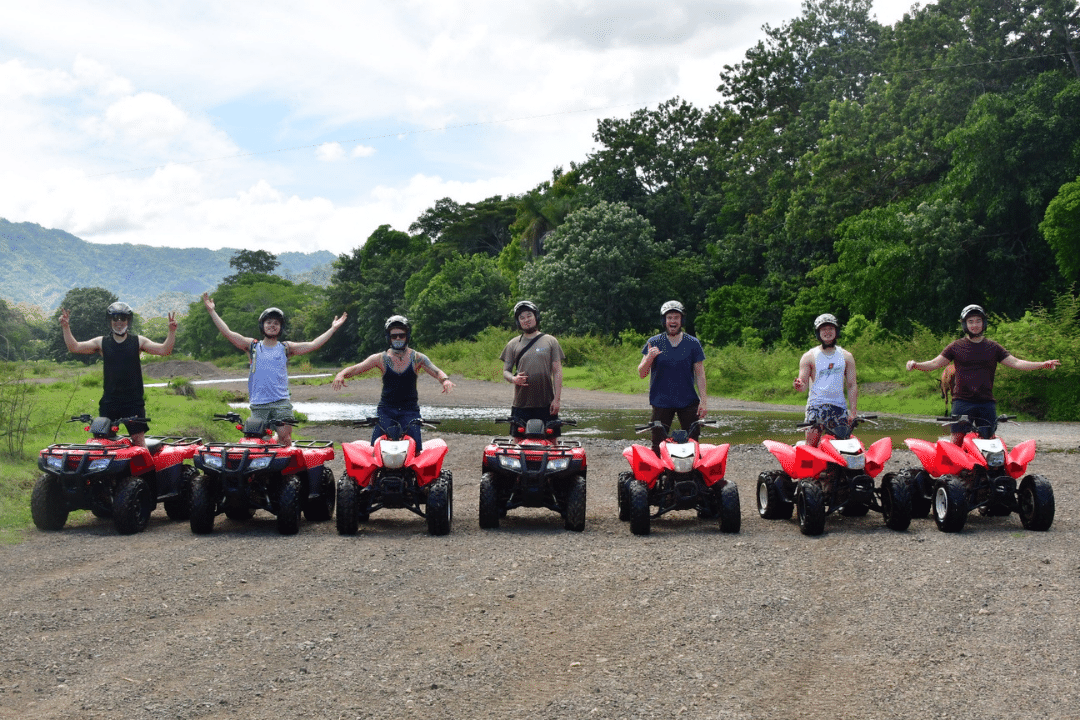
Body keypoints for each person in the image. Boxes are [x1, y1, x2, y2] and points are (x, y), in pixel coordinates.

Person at [203, 292, 346, 445]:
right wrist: (212, 311)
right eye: (269, 322)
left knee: (285, 438)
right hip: (259, 403)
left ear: (280, 327)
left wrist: (333, 329)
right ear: (262, 325)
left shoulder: (286, 348)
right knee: (256, 440)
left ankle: (282, 453)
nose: (272, 325)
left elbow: (313, 344)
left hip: (281, 402)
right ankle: (270, 447)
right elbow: (227, 333)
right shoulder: (252, 346)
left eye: (276, 323)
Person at [906, 304, 1061, 445]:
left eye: (978, 321)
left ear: (983, 323)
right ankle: (952, 467)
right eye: (971, 321)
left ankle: (987, 468)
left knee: (989, 441)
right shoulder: (956, 346)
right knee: (957, 439)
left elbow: (1016, 363)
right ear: (965, 325)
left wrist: (1042, 364)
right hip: (962, 401)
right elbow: (935, 363)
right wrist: (916, 365)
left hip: (986, 402)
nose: (975, 325)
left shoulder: (993, 347)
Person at [60, 301, 177, 447]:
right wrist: (65, 327)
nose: (119, 322)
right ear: (110, 321)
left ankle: (145, 463)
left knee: (138, 441)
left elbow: (164, 350)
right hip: (109, 401)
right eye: (115, 318)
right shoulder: (101, 342)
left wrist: (171, 331)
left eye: (123, 318)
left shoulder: (138, 341)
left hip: (133, 401)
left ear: (128, 320)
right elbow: (74, 347)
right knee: (102, 441)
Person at [331, 315, 454, 447]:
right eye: (394, 336)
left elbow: (436, 371)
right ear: (389, 338)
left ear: (407, 336)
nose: (398, 339)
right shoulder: (380, 358)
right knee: (377, 447)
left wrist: (445, 380)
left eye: (401, 335)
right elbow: (357, 368)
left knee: (415, 447)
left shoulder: (417, 358)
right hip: (386, 410)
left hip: (410, 410)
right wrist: (341, 374)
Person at [637, 300, 707, 456]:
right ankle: (660, 470)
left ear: (681, 320)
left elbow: (700, 374)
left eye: (676, 317)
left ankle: (692, 471)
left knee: (693, 442)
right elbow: (642, 373)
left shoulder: (693, 343)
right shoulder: (654, 342)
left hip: (688, 400)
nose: (673, 321)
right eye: (669, 318)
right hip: (661, 401)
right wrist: (649, 358)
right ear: (664, 321)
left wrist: (704, 401)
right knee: (658, 444)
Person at [793, 313, 858, 447]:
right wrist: (799, 385)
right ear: (818, 333)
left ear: (836, 331)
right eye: (823, 329)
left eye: (830, 328)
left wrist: (853, 412)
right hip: (816, 407)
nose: (827, 332)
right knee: (811, 445)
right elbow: (803, 385)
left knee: (843, 446)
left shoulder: (847, 356)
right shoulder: (809, 356)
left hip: (839, 407)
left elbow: (852, 385)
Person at [500, 300, 565, 434]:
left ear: (536, 317)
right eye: (522, 318)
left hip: (546, 403)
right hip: (521, 404)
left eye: (529, 316)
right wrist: (513, 379)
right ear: (518, 322)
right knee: (518, 440)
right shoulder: (513, 344)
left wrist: (557, 400)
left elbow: (557, 371)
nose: (526, 320)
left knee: (552, 440)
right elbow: (506, 371)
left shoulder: (550, 341)